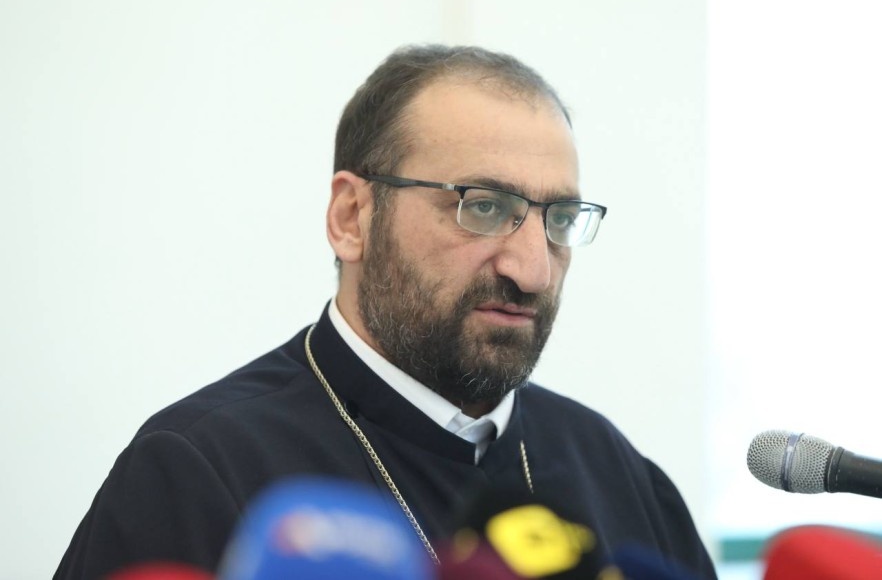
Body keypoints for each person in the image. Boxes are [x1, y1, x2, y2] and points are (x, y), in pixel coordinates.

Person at [55, 45, 717, 579]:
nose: (533, 269)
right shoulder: (198, 469)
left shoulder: (615, 471)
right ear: (352, 217)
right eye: (484, 206)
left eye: (560, 218)